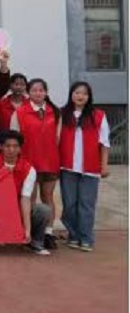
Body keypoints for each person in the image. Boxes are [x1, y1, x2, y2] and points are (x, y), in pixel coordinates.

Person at [59, 81, 111, 252]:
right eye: (77, 92)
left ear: (89, 97)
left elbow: (105, 143)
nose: (80, 96)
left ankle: (86, 238)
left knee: (86, 205)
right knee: (69, 204)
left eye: (84, 93)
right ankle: (73, 235)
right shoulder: (62, 114)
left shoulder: (98, 115)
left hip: (91, 168)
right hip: (67, 167)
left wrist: (104, 165)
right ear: (71, 95)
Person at [11, 78, 60, 250]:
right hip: (28, 163)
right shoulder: (20, 112)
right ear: (28, 93)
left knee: (48, 197)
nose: (38, 93)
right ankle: (29, 232)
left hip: (50, 161)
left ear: (46, 92)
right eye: (34, 90)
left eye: (41, 90)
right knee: (29, 199)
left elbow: (58, 138)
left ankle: (48, 233)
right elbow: (14, 140)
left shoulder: (55, 112)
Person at [0, 130, 52, 256]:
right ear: (1, 147)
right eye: (7, 146)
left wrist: (27, 230)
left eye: (15, 146)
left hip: (17, 210)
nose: (11, 150)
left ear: (20, 149)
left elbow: (25, 199)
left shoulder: (29, 169)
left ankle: (34, 243)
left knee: (43, 210)